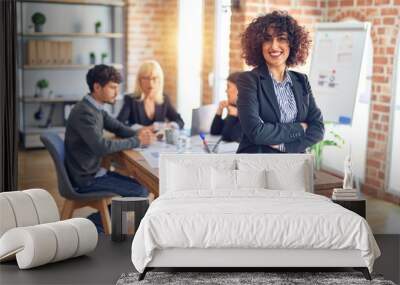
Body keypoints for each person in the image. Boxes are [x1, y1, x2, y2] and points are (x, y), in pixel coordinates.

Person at [236, 10, 324, 153]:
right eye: (267, 39)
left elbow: (318, 128)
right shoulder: (249, 80)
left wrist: (286, 146)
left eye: (281, 38)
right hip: (258, 164)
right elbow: (256, 132)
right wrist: (300, 128)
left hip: (294, 163)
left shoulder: (301, 80)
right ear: (259, 44)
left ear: (292, 44)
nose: (274, 46)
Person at [65, 64, 155, 199]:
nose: (117, 93)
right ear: (97, 87)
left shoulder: (95, 108)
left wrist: (140, 133)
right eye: (112, 87)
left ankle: (110, 219)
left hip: (93, 172)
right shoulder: (84, 112)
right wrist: (138, 141)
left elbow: (118, 127)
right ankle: (97, 221)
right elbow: (101, 147)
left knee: (144, 186)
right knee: (140, 191)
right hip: (86, 179)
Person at [117, 60, 184, 131]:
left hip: (159, 141)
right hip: (139, 141)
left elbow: (179, 121)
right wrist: (142, 129)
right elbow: (118, 125)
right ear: (139, 80)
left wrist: (171, 125)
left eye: (154, 78)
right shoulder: (130, 99)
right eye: (146, 78)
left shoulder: (164, 99)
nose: (150, 83)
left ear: (159, 80)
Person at [210, 72, 242, 142]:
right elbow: (215, 131)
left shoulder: (248, 112)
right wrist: (219, 111)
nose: (226, 91)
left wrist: (233, 116)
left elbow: (227, 137)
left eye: (228, 87)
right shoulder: (235, 107)